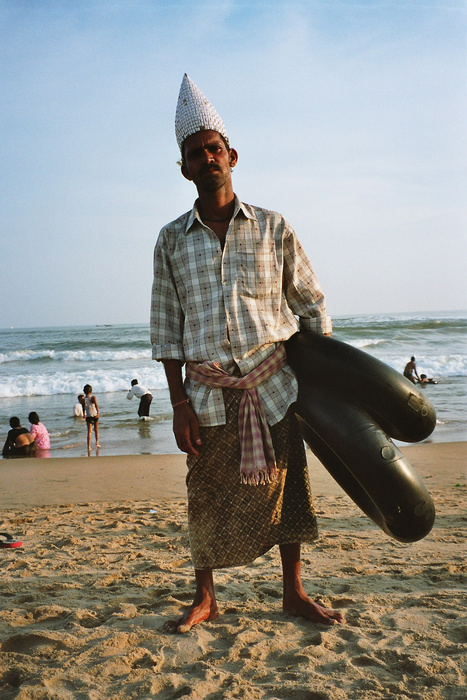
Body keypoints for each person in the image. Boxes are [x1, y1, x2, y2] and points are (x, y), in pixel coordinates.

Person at [150, 74, 345, 633]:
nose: (207, 158)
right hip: (209, 393)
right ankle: (206, 597)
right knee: (204, 493)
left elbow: (311, 303)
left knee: (289, 491)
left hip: (274, 385)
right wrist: (179, 404)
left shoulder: (274, 227)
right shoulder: (170, 239)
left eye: (215, 148)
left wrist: (324, 381)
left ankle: (293, 591)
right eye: (196, 153)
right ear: (184, 168)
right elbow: (167, 327)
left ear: (232, 155)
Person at [83, 384, 100, 451]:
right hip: (95, 415)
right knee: (96, 430)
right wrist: (98, 412)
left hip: (89, 416)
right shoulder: (93, 398)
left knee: (89, 432)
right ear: (91, 391)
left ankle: (89, 446)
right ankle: (97, 443)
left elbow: (83, 408)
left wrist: (84, 415)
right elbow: (96, 405)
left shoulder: (83, 399)